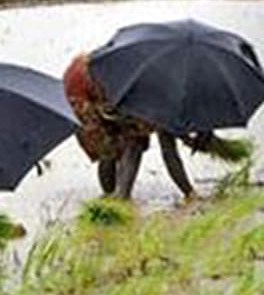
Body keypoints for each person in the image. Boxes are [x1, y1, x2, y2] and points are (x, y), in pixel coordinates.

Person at [63, 53, 201, 202]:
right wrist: (189, 192)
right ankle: (119, 198)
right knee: (128, 144)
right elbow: (169, 150)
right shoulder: (153, 93)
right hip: (83, 101)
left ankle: (113, 198)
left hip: (90, 88)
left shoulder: (152, 80)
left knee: (121, 143)